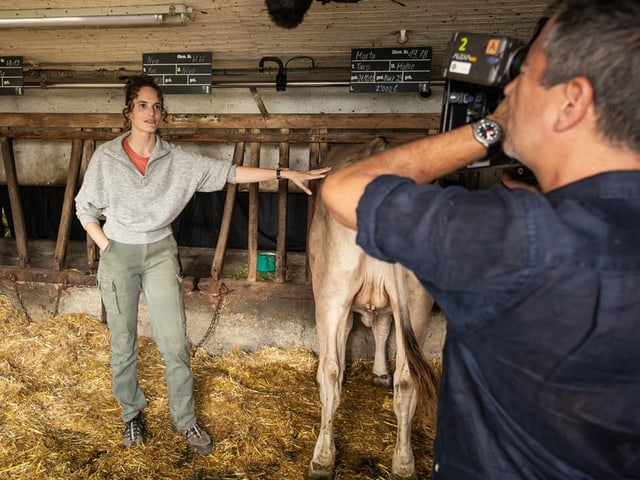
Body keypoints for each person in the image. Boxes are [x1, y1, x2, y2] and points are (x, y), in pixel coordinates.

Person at [320, 0, 640, 478]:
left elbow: (344, 190)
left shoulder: (508, 234)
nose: (508, 88)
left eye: (525, 74)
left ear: (572, 100)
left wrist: (491, 127)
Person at [74, 74, 329, 454]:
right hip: (119, 252)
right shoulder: (106, 158)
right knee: (123, 342)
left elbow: (230, 173)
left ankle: (186, 421)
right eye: (143, 105)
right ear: (128, 111)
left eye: (157, 106)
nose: (151, 112)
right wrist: (107, 246)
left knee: (174, 342)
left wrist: (284, 172)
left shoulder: (177, 160)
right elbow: (85, 208)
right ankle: (132, 415)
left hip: (160, 250)